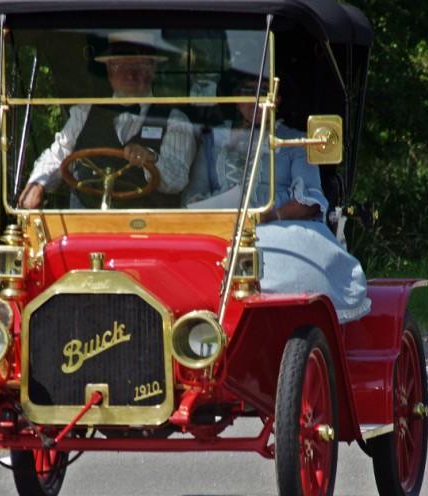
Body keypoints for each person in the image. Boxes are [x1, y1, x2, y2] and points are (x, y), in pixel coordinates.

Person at [186, 75, 371, 323]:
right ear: (237, 100)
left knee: (292, 260)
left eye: (263, 93)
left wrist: (270, 215)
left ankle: (292, 322)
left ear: (276, 100)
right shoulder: (213, 141)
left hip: (281, 224)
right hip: (222, 228)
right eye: (247, 93)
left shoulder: (294, 139)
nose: (255, 101)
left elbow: (311, 200)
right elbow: (194, 194)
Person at [19, 32, 196, 209]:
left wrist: (151, 158)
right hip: (86, 226)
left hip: (149, 228)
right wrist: (37, 184)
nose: (130, 74)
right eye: (120, 66)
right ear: (109, 70)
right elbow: (58, 155)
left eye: (139, 66)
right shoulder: (84, 113)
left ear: (153, 70)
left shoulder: (175, 120)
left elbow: (177, 181)